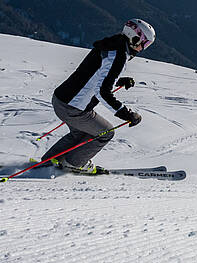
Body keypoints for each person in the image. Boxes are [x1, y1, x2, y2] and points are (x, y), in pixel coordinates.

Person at [40, 19, 156, 174]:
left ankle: (50, 161)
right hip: (73, 107)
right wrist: (126, 114)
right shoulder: (118, 55)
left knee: (80, 133)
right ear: (135, 38)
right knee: (106, 132)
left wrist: (117, 80)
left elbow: (95, 74)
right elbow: (102, 92)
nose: (143, 48)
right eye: (144, 43)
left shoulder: (111, 45)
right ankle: (74, 163)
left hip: (61, 99)